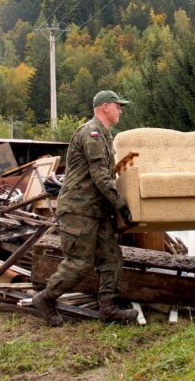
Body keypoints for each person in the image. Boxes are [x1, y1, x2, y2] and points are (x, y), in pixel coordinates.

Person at [33, 90, 138, 326]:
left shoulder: (104, 135)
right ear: (104, 107)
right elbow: (100, 175)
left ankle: (108, 310)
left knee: (112, 257)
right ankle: (45, 298)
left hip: (96, 211)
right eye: (118, 106)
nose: (120, 110)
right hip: (78, 209)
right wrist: (120, 204)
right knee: (79, 263)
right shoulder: (91, 134)